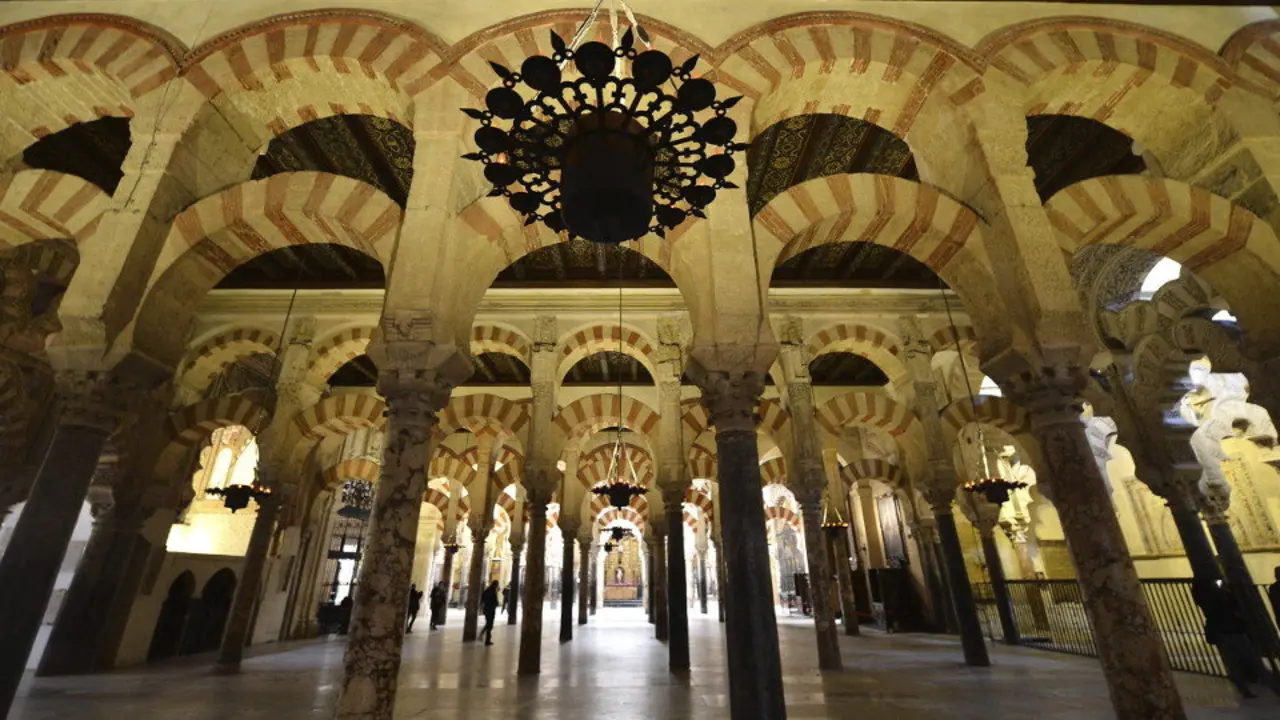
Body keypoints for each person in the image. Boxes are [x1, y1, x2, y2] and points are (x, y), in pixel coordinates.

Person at [1192, 578, 1280, 698]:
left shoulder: (1201, 597)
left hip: (1219, 632)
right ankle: (1276, 689)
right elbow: (1233, 605)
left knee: (1233, 663)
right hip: (1234, 630)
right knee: (1255, 662)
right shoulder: (1220, 594)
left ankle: (1244, 690)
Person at [481, 580, 501, 646]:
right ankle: (487, 640)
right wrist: (496, 604)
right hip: (491, 610)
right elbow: (496, 602)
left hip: (486, 609)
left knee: (488, 623)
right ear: (496, 585)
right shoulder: (493, 591)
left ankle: (483, 635)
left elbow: (482, 598)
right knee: (490, 625)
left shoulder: (487, 590)